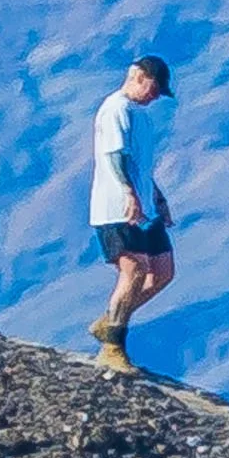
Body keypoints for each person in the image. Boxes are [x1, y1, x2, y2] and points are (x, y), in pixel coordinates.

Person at [87, 54, 176, 374]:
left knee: (163, 270)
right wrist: (128, 193)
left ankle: (109, 321)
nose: (156, 95)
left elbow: (139, 163)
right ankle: (113, 346)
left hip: (144, 206)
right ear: (137, 76)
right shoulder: (117, 109)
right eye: (154, 86)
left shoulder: (139, 114)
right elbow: (114, 156)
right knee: (135, 269)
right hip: (117, 207)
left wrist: (157, 197)